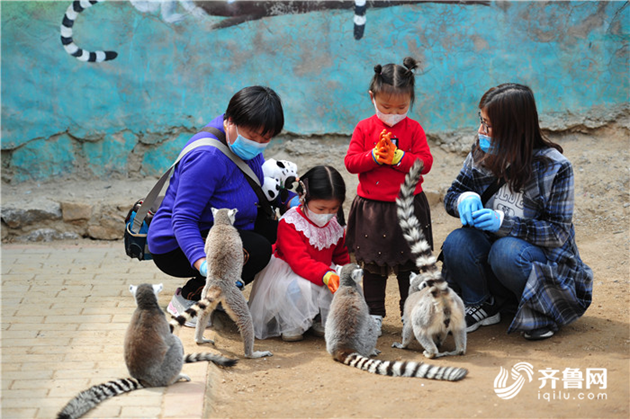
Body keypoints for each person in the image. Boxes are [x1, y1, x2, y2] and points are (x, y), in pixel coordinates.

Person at [441, 83, 593, 341]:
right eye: (481, 121)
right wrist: (463, 199)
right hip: (493, 262)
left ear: (513, 128)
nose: (481, 131)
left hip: (533, 264)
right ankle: (483, 304)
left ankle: (542, 311)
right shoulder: (482, 151)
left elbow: (557, 233)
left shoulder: (555, 168)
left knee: (506, 251)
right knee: (456, 242)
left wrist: (504, 223)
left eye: (488, 125)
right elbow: (453, 194)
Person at [147, 85, 286, 325]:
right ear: (230, 121)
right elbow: (183, 219)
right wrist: (205, 265)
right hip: (176, 244)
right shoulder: (208, 158)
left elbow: (258, 182)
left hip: (222, 227)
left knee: (284, 235)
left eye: (266, 138)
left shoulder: (241, 141)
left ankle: (219, 293)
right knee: (258, 250)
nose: (258, 145)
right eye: (253, 137)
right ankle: (190, 296)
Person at [344, 57, 434, 335]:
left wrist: (399, 158)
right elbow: (351, 162)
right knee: (373, 266)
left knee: (408, 264)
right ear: (372, 98)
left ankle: (410, 313)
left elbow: (425, 163)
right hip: (372, 210)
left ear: (411, 101)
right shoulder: (364, 128)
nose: (393, 113)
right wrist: (372, 157)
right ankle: (374, 315)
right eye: (385, 107)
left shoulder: (414, 129)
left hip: (408, 207)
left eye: (402, 107)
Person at [248, 165, 351, 342]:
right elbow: (299, 261)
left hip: (321, 271)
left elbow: (340, 254)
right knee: (299, 287)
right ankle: (291, 322)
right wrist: (326, 274)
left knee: (335, 285)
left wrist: (345, 273)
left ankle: (319, 318)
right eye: (321, 209)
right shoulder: (291, 223)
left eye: (334, 209)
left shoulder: (335, 225)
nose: (327, 214)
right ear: (303, 198)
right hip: (291, 271)